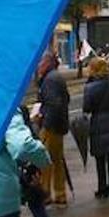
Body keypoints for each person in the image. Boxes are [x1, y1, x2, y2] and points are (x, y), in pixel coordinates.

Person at [82, 56, 109, 198]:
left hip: (98, 123)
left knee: (100, 158)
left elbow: (86, 108)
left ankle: (102, 187)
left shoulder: (89, 88)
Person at [34, 51, 71, 205]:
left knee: (45, 161)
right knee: (56, 160)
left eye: (41, 63)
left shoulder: (49, 80)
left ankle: (46, 193)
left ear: (47, 63)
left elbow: (54, 104)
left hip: (51, 126)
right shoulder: (56, 77)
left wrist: (44, 120)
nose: (38, 66)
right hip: (59, 125)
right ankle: (60, 193)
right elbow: (65, 99)